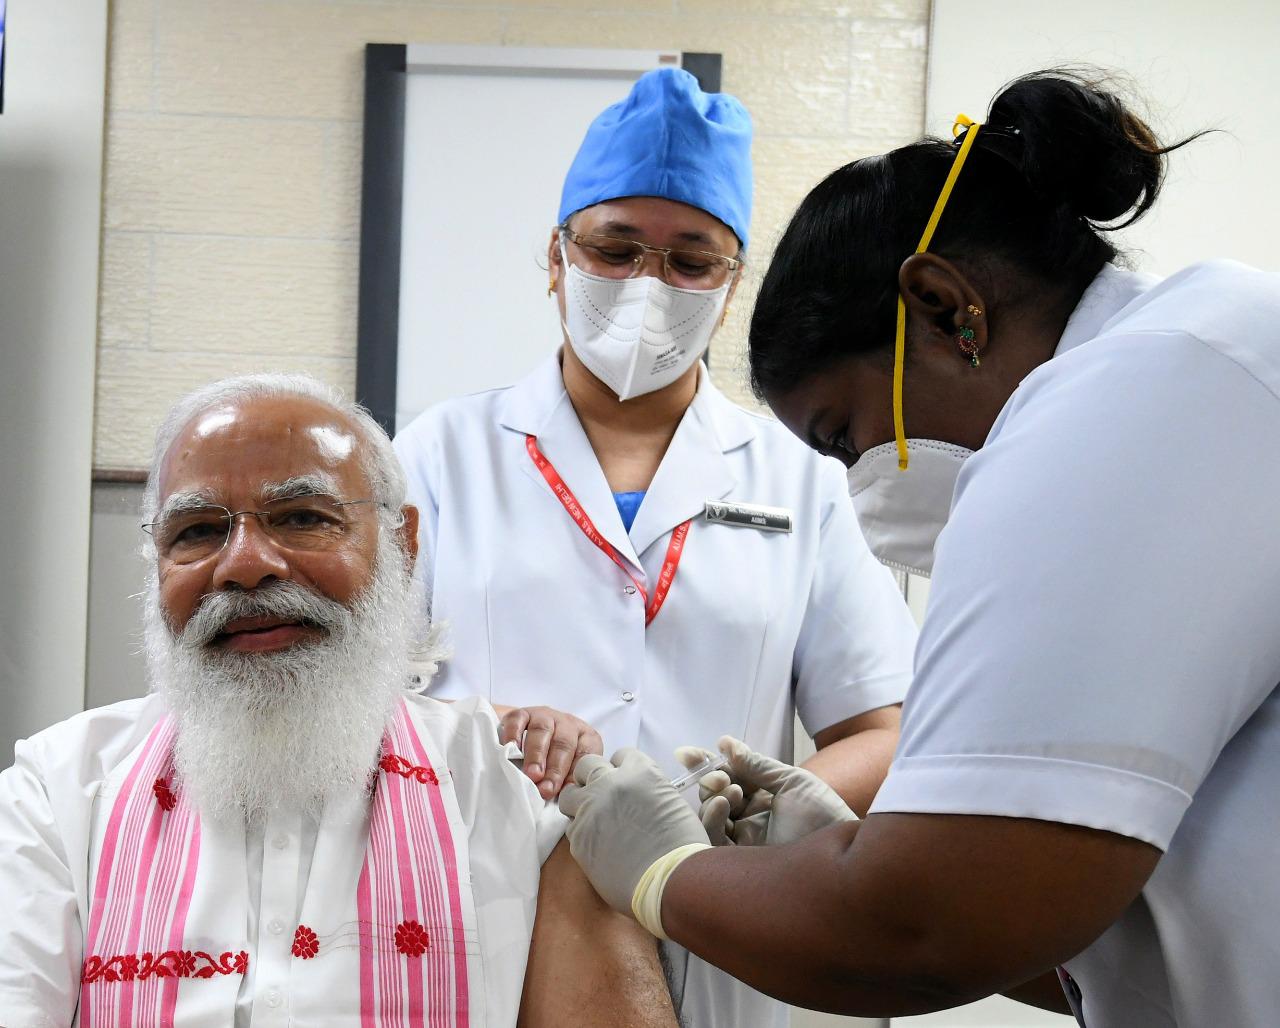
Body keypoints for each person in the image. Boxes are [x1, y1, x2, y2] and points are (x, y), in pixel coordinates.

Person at [556, 69, 1280, 1027]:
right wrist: (841, 850)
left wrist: (664, 873)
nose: (861, 486)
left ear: (946, 309)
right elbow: (1069, 914)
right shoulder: (1207, 351)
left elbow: (923, 935)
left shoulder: (1122, 406)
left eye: (847, 437)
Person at [392, 67, 918, 1028]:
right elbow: (364, 703)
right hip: (489, 901)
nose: (649, 285)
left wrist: (761, 811)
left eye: (690, 261)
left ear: (731, 284)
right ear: (555, 257)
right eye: (616, 247)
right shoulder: (438, 455)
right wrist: (494, 732)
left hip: (733, 915)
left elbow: (878, 730)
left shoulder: (798, 476)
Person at [0, 374, 678, 1028]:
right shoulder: (58, 791)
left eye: (301, 517)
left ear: (403, 546)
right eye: (198, 531)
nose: (244, 564)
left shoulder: (522, 788)